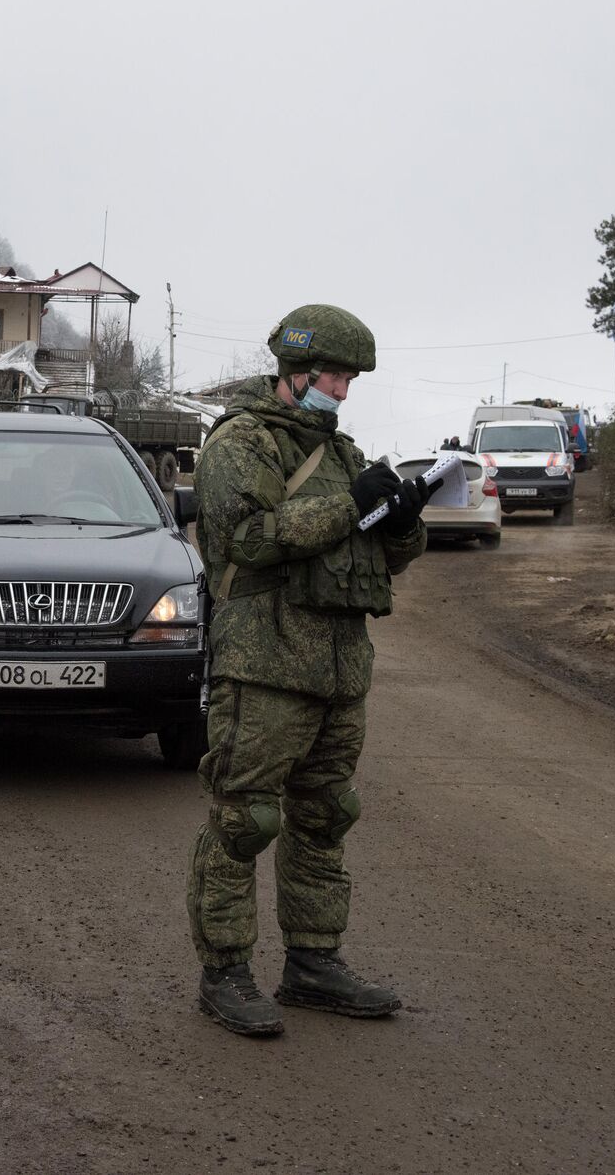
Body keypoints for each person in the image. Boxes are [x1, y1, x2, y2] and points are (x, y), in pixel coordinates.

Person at [186, 303, 437, 1037]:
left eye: (352, 378)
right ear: (295, 372)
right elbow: (246, 540)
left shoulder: (347, 454)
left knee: (325, 817)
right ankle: (225, 972)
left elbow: (377, 560)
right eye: (335, 375)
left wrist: (401, 522)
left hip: (338, 669)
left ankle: (314, 963)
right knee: (245, 817)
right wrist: (343, 510)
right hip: (265, 665)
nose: (344, 389)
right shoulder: (241, 443)